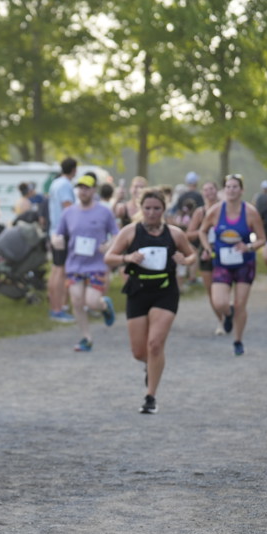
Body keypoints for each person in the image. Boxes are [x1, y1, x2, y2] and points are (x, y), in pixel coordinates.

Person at [105, 190, 196, 413]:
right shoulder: (130, 232)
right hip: (138, 291)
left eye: (156, 208)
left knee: (155, 344)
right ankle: (151, 365)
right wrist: (127, 257)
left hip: (165, 291)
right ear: (141, 208)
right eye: (147, 208)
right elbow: (109, 257)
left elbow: (192, 254)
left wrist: (184, 260)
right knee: (139, 351)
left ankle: (150, 397)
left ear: (163, 209)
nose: (152, 212)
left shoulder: (174, 233)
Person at [199, 174, 267, 356]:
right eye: (228, 187)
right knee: (219, 302)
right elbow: (202, 231)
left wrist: (249, 247)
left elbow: (262, 239)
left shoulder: (250, 212)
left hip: (245, 263)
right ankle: (228, 314)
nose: (231, 190)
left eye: (235, 187)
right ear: (224, 190)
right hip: (222, 263)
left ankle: (238, 340)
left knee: (240, 304)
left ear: (242, 190)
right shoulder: (215, 211)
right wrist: (207, 248)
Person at [55, 173, 119, 352]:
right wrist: (57, 240)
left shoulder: (104, 212)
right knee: (76, 301)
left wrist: (109, 245)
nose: (83, 191)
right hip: (74, 264)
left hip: (96, 265)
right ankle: (86, 338)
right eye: (80, 188)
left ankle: (104, 305)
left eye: (87, 188)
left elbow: (116, 234)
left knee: (91, 302)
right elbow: (58, 233)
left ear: (94, 190)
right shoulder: (69, 212)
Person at [186, 180, 226, 333]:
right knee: (210, 290)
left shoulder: (225, 208)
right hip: (206, 252)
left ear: (217, 191)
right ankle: (221, 321)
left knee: (224, 287)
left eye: (211, 189)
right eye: (206, 190)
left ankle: (227, 309)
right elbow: (189, 234)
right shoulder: (200, 212)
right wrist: (204, 229)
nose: (209, 192)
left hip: (224, 250)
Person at [47, 157, 78, 322]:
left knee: (55, 270)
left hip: (54, 230)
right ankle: (58, 309)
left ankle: (54, 307)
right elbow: (68, 208)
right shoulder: (65, 185)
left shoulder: (55, 183)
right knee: (60, 271)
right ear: (74, 170)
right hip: (63, 232)